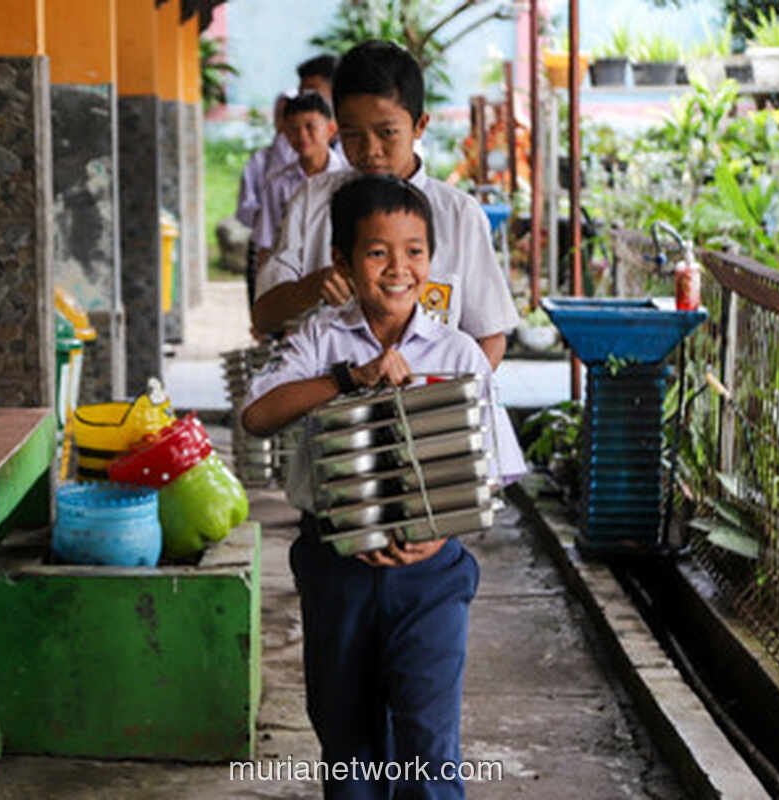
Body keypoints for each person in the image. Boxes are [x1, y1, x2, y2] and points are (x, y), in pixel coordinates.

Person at [242, 175, 526, 799]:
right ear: (342, 262)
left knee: (429, 742)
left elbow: (493, 471)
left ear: (431, 258)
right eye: (377, 252)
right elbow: (257, 415)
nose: (399, 268)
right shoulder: (320, 340)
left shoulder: (458, 353)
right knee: (348, 743)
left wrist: (438, 536)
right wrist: (349, 378)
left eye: (415, 251)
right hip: (336, 567)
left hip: (431, 576)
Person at [251, 40, 518, 370]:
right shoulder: (312, 201)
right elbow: (264, 317)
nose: (370, 150)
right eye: (352, 135)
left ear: (419, 125)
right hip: (330, 400)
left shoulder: (459, 215)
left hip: (430, 399)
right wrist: (311, 288)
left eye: (387, 132)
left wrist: (453, 394)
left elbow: (490, 337)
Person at [250, 93, 347, 270]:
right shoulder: (278, 183)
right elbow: (266, 242)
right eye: (294, 129)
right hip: (292, 276)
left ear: (331, 129)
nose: (302, 135)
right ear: (285, 134)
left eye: (310, 127)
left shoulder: (347, 179)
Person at [236, 93, 298, 306]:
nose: (286, 122)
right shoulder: (261, 161)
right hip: (268, 248)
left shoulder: (327, 165)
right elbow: (245, 210)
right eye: (281, 115)